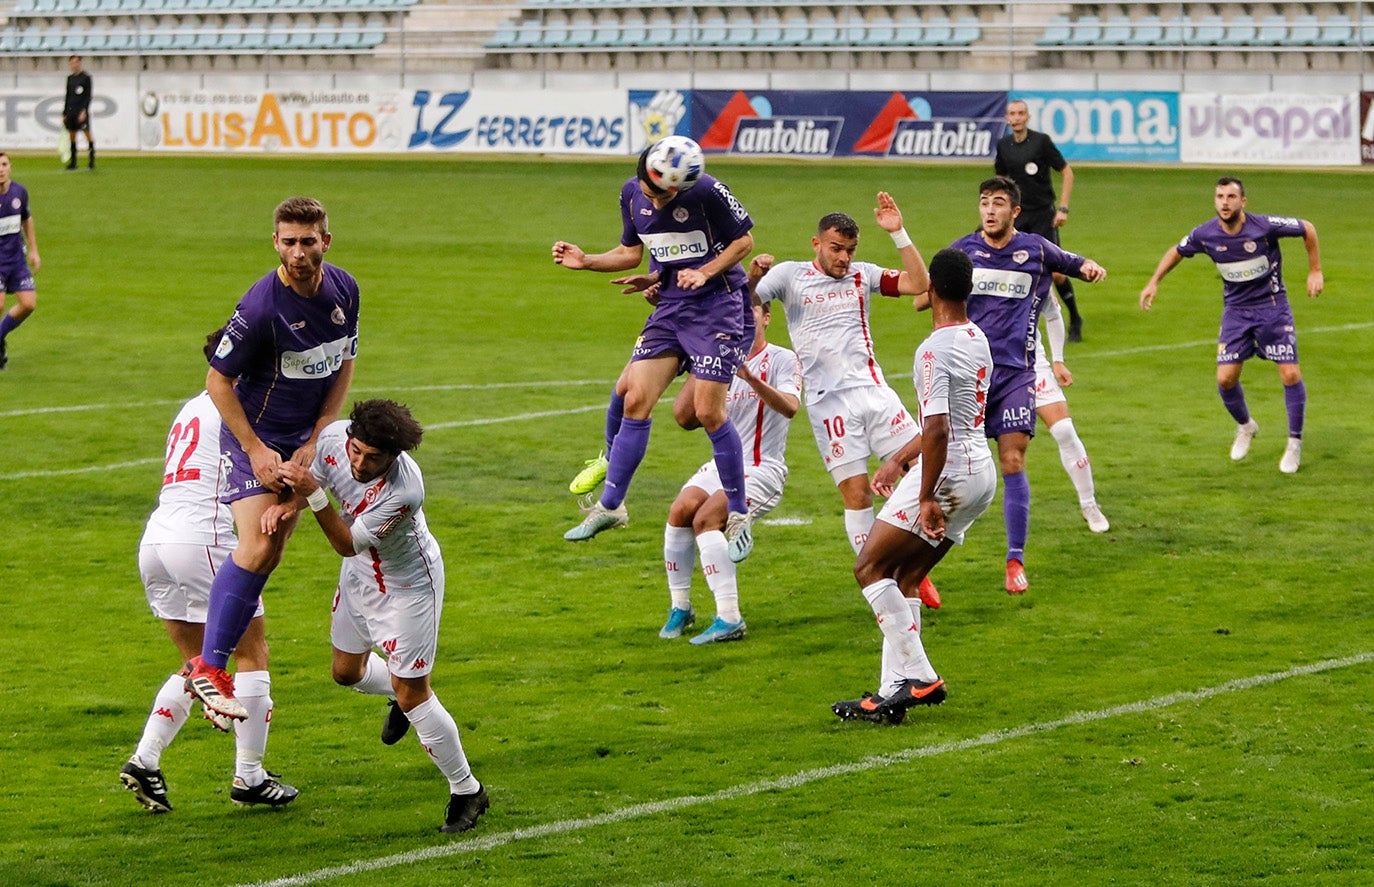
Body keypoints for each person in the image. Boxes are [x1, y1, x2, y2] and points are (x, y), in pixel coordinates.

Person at [266, 399, 488, 834]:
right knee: (346, 673)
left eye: (374, 459)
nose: (360, 464)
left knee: (414, 694)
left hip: (409, 586)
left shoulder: (405, 491)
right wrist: (289, 504)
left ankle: (467, 790)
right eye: (357, 451)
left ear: (395, 457)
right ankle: (406, 694)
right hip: (360, 577)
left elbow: (347, 542)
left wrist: (310, 494)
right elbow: (318, 481)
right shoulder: (333, 440)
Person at [184, 197, 359, 723]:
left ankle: (211, 665)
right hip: (256, 438)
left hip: (304, 440)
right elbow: (218, 380)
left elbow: (344, 363)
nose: (299, 252)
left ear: (326, 241)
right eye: (288, 242)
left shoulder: (346, 289)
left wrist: (320, 434)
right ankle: (209, 667)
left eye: (308, 241)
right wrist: (258, 451)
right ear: (275, 243)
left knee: (274, 545)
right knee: (258, 545)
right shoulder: (261, 307)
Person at [553, 137, 757, 563]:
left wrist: (704, 272)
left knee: (707, 412)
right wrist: (587, 260)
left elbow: (744, 243)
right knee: (634, 397)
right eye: (655, 190)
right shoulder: (631, 192)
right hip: (672, 307)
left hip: (720, 307)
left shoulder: (707, 191)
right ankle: (611, 507)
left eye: (669, 193)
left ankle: (739, 513)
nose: (661, 199)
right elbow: (632, 252)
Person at [120, 331, 296, 813]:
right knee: (250, 654)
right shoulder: (245, 411)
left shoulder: (191, 406)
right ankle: (250, 776)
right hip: (208, 541)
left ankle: (146, 760)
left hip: (157, 543)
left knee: (201, 665)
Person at [751, 193, 941, 609]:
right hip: (828, 405)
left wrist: (898, 233)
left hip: (874, 393)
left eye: (851, 250)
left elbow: (920, 285)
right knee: (857, 496)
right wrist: (752, 275)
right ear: (816, 244)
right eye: (836, 249)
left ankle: (912, 565)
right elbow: (746, 303)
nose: (844, 258)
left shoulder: (862, 276)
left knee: (927, 468)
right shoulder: (789, 276)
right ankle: (883, 584)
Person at [832, 248, 997, 725]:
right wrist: (899, 458)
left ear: (931, 291)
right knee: (904, 577)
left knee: (869, 567)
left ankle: (921, 675)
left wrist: (925, 495)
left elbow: (940, 429)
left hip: (949, 471)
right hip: (979, 472)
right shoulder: (976, 336)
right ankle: (891, 694)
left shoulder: (933, 349)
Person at [941, 176, 1106, 595]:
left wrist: (1088, 267)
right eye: (984, 202)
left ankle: (1015, 560)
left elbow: (1071, 263)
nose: (990, 210)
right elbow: (931, 293)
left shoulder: (1033, 248)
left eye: (998, 203)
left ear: (1014, 211)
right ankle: (922, 560)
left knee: (1013, 459)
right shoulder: (962, 250)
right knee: (951, 467)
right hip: (970, 374)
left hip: (1017, 374)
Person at [1140, 176, 1322, 474]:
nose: (1225, 202)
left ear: (1243, 202)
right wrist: (1154, 281)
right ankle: (1246, 426)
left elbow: (1307, 228)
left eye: (1231, 197)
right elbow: (1177, 250)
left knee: (1290, 373)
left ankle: (1294, 442)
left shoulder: (1264, 226)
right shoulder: (1205, 234)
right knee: (1225, 379)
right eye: (1220, 197)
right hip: (1236, 312)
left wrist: (1315, 270)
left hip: (1272, 307)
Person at [660, 298, 800, 644]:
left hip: (762, 468)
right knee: (680, 512)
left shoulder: (783, 359)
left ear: (766, 317)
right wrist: (702, 360)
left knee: (706, 519)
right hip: (722, 464)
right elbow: (684, 418)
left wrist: (751, 378)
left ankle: (729, 617)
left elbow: (791, 407)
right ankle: (681, 607)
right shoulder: (717, 360)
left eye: (750, 310)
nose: (742, 317)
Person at [995, 99, 1082, 342]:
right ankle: (1009, 323)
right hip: (1017, 215)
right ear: (1007, 119)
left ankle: (1075, 318)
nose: (1016, 118)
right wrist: (998, 211)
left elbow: (1067, 172)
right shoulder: (1003, 145)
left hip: (1044, 214)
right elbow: (1001, 181)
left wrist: (1062, 208)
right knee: (1008, 266)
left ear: (1028, 117)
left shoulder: (1041, 142)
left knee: (1055, 273)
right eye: (1012, 114)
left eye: (1021, 113)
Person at [1033, 294, 1109, 533]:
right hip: (984, 362)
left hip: (1029, 362)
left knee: (1064, 430)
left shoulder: (1033, 263)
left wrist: (1057, 360)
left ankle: (1089, 505)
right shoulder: (975, 261)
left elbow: (1053, 312)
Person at [0, 153, 40, 371]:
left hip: (16, 260)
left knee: (28, 304)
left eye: (4, 165)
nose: (1, 169)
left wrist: (33, 250)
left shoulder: (19, 192)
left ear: (10, 167)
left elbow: (26, 219)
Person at [63, 55, 95, 171]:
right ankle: (73, 162)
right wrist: (65, 112)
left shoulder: (86, 78)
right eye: (71, 63)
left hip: (81, 112)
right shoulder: (70, 78)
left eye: (76, 62)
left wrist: (84, 111)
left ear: (79, 63)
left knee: (87, 135)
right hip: (71, 111)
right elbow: (67, 96)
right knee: (72, 136)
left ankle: (91, 161)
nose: (74, 65)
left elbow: (88, 96)